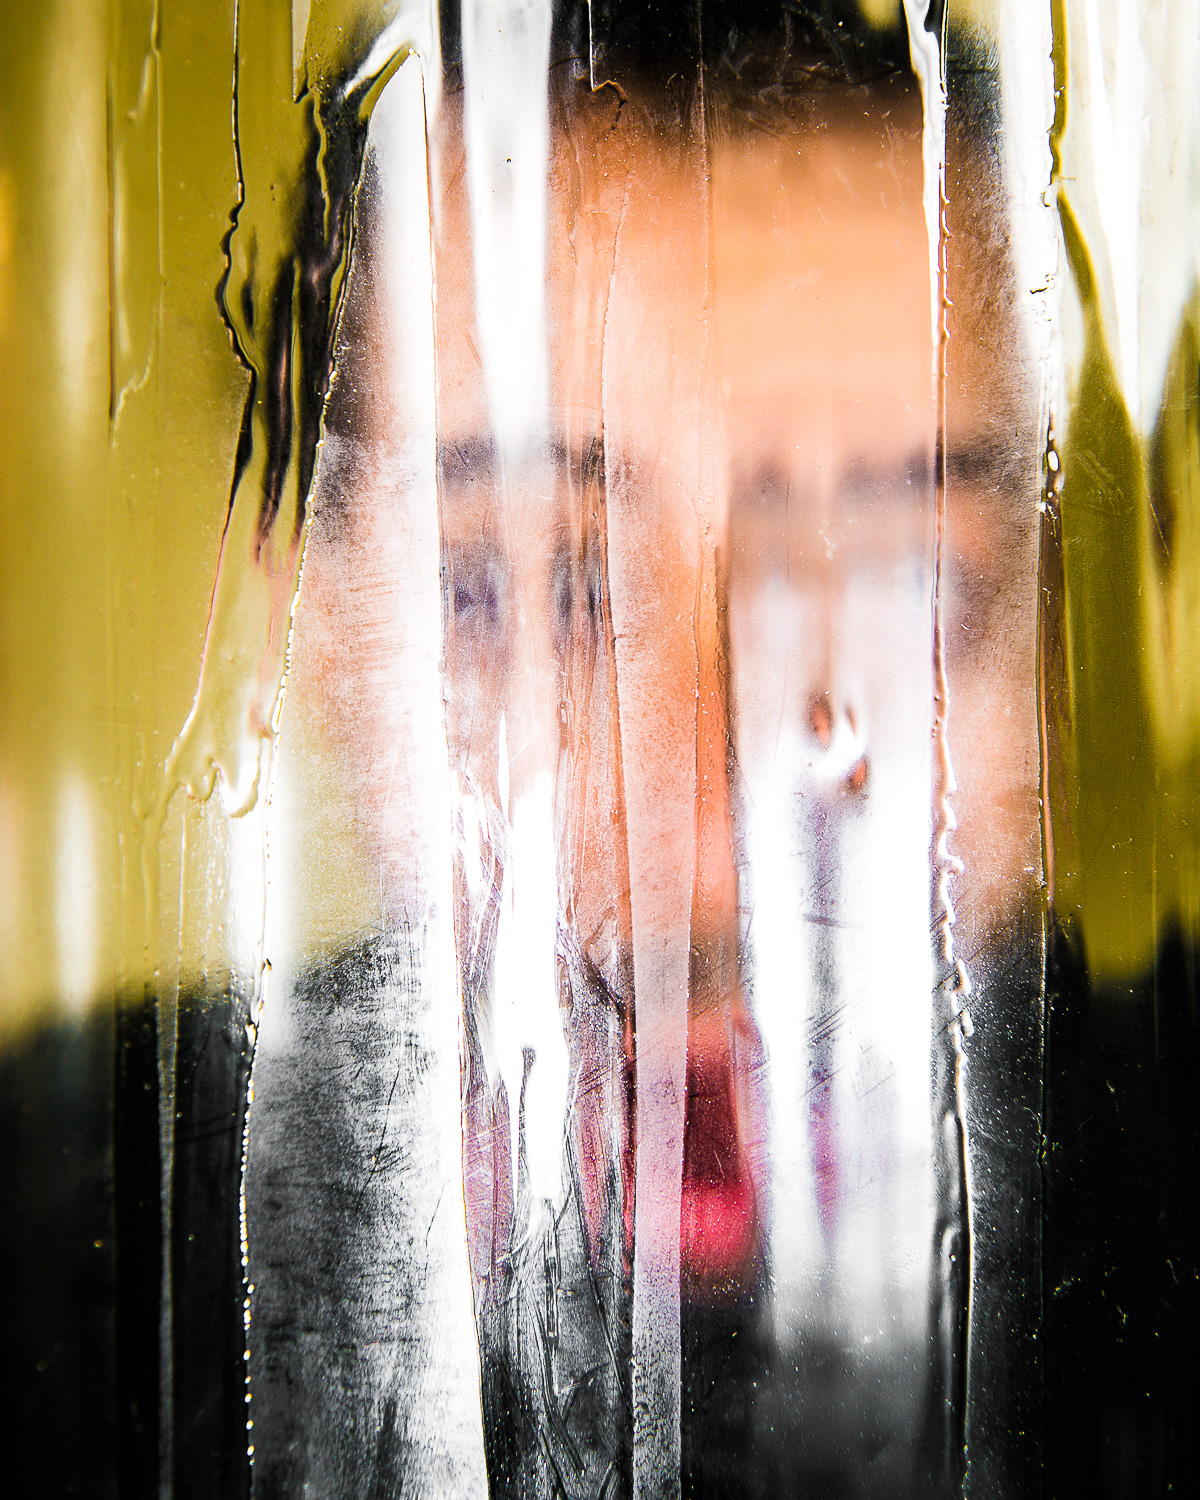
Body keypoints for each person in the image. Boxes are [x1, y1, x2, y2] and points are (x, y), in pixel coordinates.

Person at [244, 4, 1045, 1497]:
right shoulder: (100, 1263)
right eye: (511, 592)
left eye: (905, 588)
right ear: (305, 625)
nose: (703, 858)